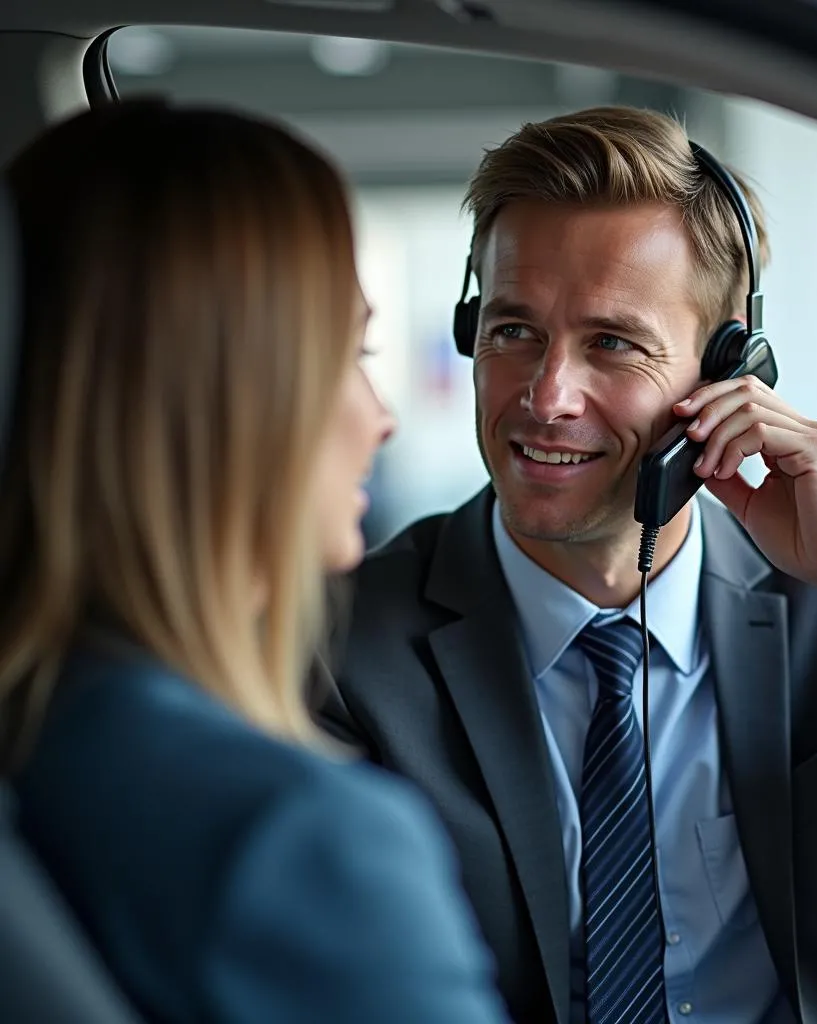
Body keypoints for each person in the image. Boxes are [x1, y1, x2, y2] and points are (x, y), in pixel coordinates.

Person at [314, 105, 817, 1024]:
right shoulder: (346, 644)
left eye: (611, 342)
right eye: (512, 330)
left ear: (730, 370)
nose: (545, 396)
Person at [0, 100, 510, 1024]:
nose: (380, 416)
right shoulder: (307, 844)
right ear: (232, 407)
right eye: (351, 353)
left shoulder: (38, 731)